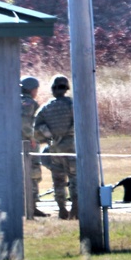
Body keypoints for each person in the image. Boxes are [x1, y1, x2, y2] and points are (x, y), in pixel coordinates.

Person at [34, 74, 77, 220]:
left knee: (58, 181)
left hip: (54, 150)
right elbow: (81, 123)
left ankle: (61, 209)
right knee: (75, 179)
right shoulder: (73, 105)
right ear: (67, 88)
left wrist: (50, 137)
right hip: (72, 149)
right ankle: (75, 209)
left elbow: (37, 129)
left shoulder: (46, 108)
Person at [20, 76, 47, 217]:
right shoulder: (28, 103)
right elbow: (25, 124)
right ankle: (31, 206)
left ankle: (26, 205)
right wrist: (32, 137)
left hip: (16, 144)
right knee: (33, 173)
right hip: (27, 144)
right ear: (31, 89)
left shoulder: (14, 100)